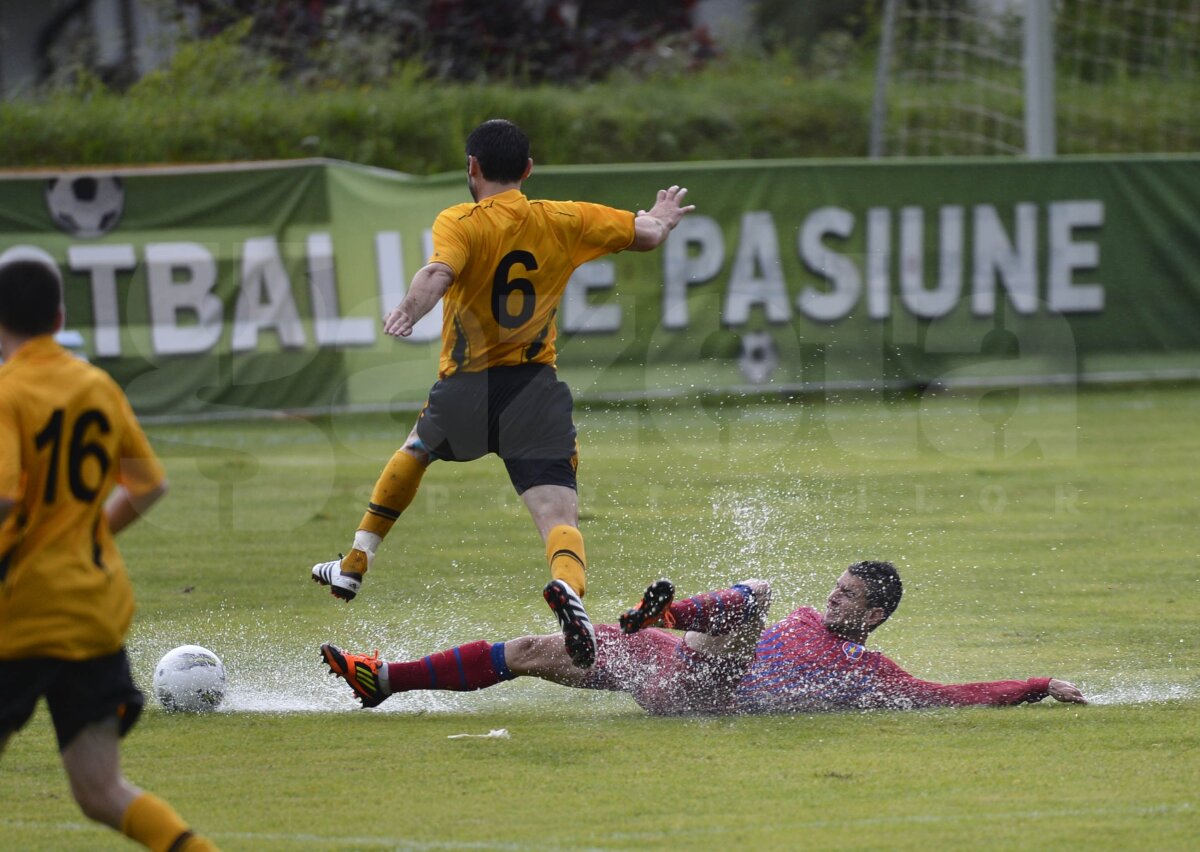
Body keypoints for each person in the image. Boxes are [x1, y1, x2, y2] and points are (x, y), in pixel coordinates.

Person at [310, 118, 695, 668]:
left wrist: (408, 310)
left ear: (472, 167)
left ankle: (355, 562)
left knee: (416, 450)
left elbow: (437, 274)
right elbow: (649, 234)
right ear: (528, 169)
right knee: (558, 516)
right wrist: (661, 216)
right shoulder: (566, 218)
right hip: (535, 389)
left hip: (468, 386)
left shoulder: (461, 220)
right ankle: (569, 591)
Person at [0, 253, 219, 852]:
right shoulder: (96, 385)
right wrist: (83, 536)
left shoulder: (8, 392)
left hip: (19, 615)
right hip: (93, 612)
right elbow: (149, 485)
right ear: (59, 317)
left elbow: (4, 497)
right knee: (101, 791)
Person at [318, 561, 1087, 714]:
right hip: (671, 663)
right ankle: (384, 680)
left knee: (756, 601)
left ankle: (663, 613)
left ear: (875, 615)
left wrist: (1034, 684)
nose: (832, 597)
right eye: (836, 586)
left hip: (709, 691)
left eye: (848, 595)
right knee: (528, 651)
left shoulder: (868, 671)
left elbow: (947, 695)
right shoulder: (810, 622)